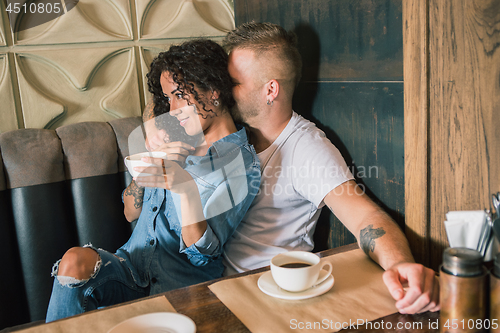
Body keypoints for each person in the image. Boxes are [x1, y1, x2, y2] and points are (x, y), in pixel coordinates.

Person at [221, 22, 439, 315]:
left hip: (270, 300)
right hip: (217, 285)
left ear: (270, 89)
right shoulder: (231, 131)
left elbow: (365, 216)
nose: (224, 91)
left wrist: (400, 265)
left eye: (233, 82)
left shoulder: (306, 148)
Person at [45, 39, 261, 322]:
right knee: (73, 261)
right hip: (130, 269)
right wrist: (149, 159)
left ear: (213, 89)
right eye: (168, 98)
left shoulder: (241, 163)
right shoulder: (176, 135)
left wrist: (184, 187)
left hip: (183, 286)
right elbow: (130, 211)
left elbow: (204, 255)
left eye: (180, 95)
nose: (172, 108)